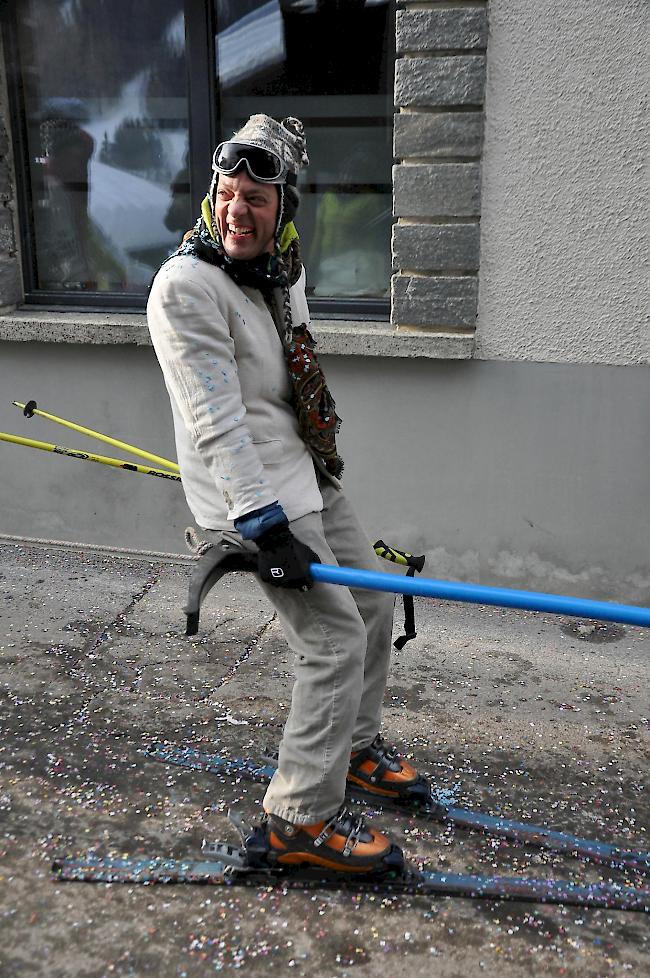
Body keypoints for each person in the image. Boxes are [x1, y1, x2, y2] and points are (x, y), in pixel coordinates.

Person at [147, 114, 430, 875]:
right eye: (229, 193)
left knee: (371, 602)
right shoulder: (186, 288)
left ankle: (356, 745)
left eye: (259, 199)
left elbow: (292, 373)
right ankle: (299, 819)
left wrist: (314, 468)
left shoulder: (282, 267)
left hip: (304, 467)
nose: (240, 210)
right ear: (214, 194)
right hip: (254, 495)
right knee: (332, 639)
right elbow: (215, 420)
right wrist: (264, 529)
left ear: (284, 209)